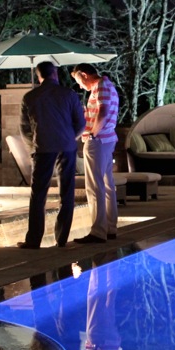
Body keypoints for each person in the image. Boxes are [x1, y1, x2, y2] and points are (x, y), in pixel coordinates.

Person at [17, 60, 86, 249]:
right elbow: (81, 124)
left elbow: (24, 128)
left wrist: (33, 147)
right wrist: (69, 138)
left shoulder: (30, 97)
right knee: (67, 192)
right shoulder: (69, 95)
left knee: (38, 194)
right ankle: (61, 238)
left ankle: (34, 240)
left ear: (39, 76)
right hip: (67, 147)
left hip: (43, 148)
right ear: (55, 74)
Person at [71, 62, 120, 244]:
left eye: (78, 80)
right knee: (107, 184)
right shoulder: (108, 86)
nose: (79, 85)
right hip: (107, 140)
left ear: (84, 74)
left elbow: (103, 112)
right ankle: (110, 227)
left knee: (94, 186)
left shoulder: (101, 86)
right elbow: (102, 111)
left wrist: (92, 134)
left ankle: (98, 231)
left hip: (98, 141)